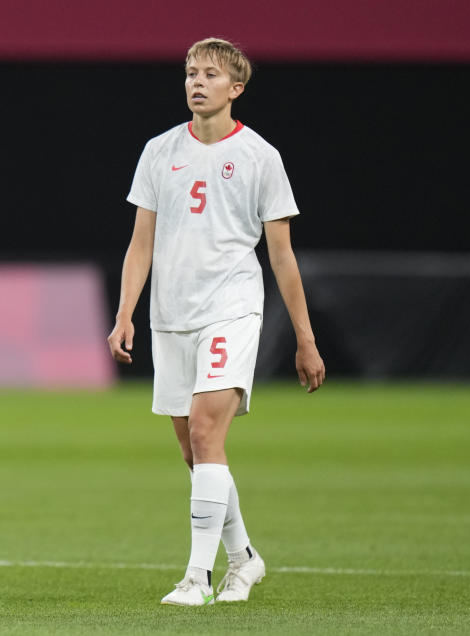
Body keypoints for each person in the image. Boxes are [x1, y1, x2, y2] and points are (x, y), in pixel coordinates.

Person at [107, 38, 325, 607]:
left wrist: (305, 338)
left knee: (206, 432)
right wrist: (125, 310)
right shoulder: (159, 151)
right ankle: (245, 559)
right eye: (189, 73)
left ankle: (196, 577)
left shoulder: (260, 157)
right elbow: (140, 243)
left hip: (231, 308)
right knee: (195, 450)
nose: (196, 82)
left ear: (236, 88)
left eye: (209, 74)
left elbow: (281, 255)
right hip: (171, 315)